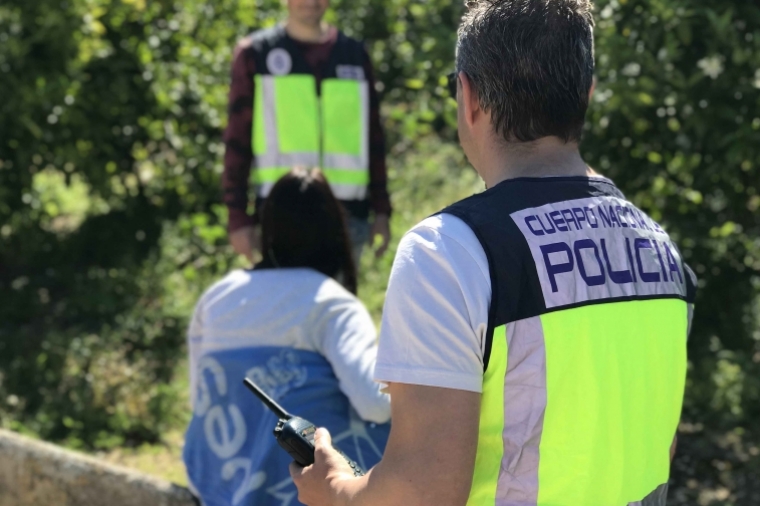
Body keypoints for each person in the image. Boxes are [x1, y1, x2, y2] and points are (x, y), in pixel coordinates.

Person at [290, 1, 698, 505]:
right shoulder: (661, 252)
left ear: (469, 96)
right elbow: (655, 443)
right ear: (586, 94)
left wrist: (332, 488)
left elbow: (422, 492)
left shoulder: (447, 253)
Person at [184, 167, 391, 506]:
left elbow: (199, 400)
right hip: (302, 490)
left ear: (267, 230)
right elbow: (375, 405)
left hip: (217, 484)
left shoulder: (218, 297)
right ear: (334, 233)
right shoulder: (331, 302)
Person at [223, 0, 392, 265]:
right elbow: (237, 142)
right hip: (281, 216)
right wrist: (237, 218)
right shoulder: (254, 53)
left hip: (348, 217)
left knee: (338, 306)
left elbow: (374, 138)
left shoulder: (355, 55)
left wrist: (382, 209)